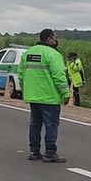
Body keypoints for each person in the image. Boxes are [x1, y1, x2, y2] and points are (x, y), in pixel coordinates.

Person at [19, 29, 69, 163]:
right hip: (49, 97)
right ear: (49, 39)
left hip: (33, 96)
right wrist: (65, 94)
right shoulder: (53, 54)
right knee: (51, 124)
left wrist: (25, 91)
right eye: (55, 37)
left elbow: (21, 74)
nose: (56, 40)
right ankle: (50, 152)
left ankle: (34, 151)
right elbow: (59, 76)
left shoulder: (28, 52)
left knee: (35, 124)